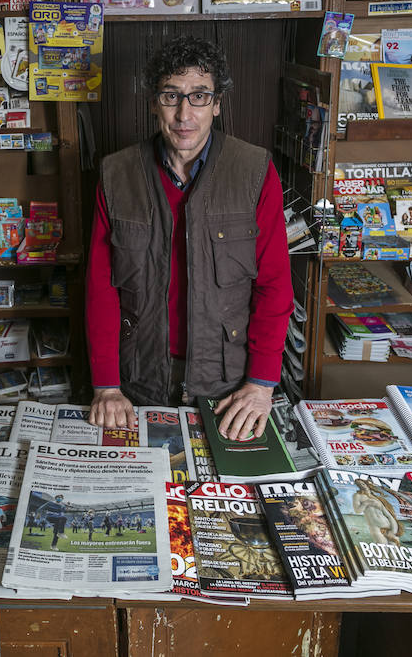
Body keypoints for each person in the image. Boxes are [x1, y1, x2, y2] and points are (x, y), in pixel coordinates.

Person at [86, 36, 291, 441]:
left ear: (217, 104)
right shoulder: (116, 174)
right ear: (153, 102)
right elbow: (100, 289)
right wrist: (106, 385)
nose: (184, 114)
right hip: (136, 381)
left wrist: (261, 383)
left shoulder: (254, 172)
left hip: (230, 387)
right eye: (170, 96)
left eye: (199, 96)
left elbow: (274, 286)